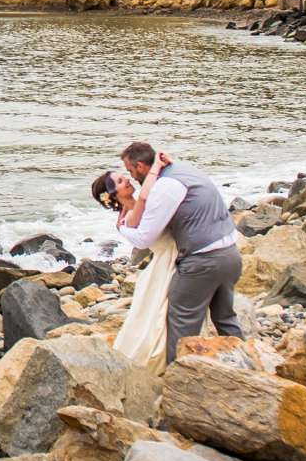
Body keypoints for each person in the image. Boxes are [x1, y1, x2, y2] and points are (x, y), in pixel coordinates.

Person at [113, 141, 243, 362]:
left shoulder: (165, 187)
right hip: (230, 253)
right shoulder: (183, 170)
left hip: (203, 261)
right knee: (225, 317)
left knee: (181, 323)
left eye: (131, 171)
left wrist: (122, 227)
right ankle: (246, 364)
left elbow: (146, 238)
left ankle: (180, 375)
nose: (132, 177)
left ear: (142, 166)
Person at [92, 166, 173, 372]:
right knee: (161, 313)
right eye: (120, 182)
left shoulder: (129, 211)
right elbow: (145, 199)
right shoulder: (128, 217)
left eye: (123, 177)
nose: (127, 181)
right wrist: (156, 166)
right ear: (112, 195)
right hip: (169, 257)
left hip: (168, 255)